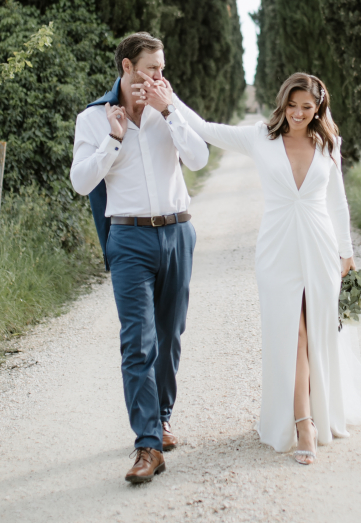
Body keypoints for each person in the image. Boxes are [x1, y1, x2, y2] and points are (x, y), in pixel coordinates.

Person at [133, 70, 361, 464]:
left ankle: (313, 415)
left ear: (318, 109)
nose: (298, 114)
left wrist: (346, 252)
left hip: (319, 247)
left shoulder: (327, 143)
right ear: (282, 102)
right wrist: (169, 102)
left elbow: (338, 201)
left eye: (307, 107)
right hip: (277, 249)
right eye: (293, 105)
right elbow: (205, 129)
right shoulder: (259, 136)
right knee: (292, 333)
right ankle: (303, 423)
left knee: (315, 330)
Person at [70, 32, 208, 484]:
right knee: (138, 343)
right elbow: (82, 183)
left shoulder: (170, 105)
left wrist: (169, 112)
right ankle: (147, 445)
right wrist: (114, 140)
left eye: (163, 68)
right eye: (152, 68)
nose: (159, 76)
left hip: (177, 231)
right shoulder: (93, 118)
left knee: (169, 337)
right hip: (128, 239)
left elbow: (200, 157)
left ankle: (162, 417)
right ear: (127, 68)